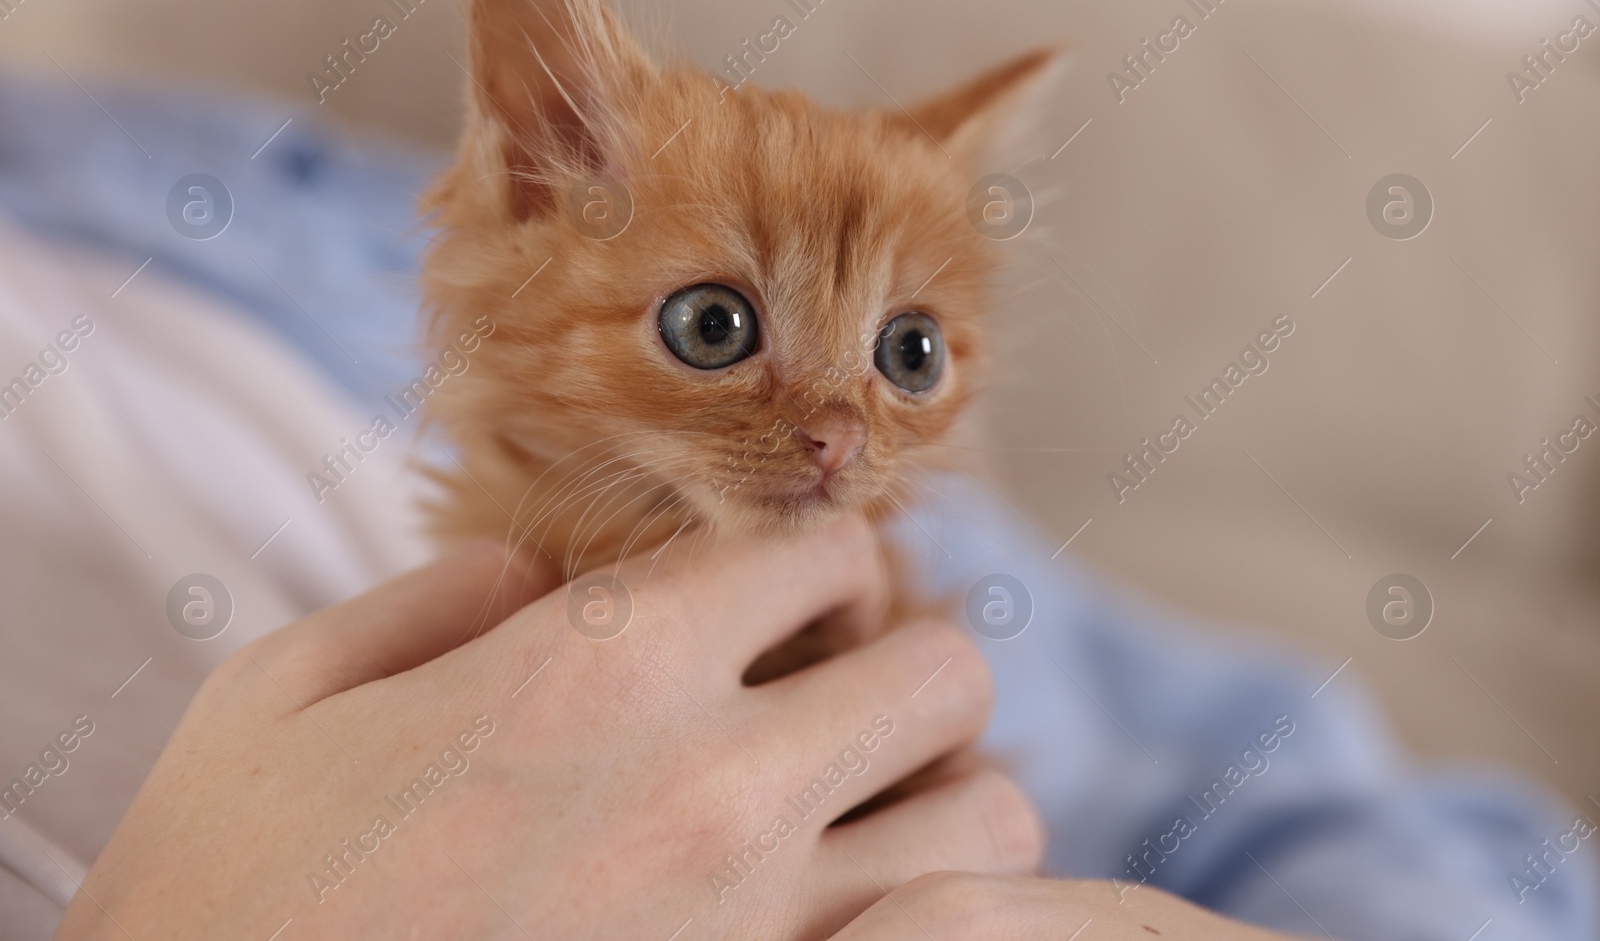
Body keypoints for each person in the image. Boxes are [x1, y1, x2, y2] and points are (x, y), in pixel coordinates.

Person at [0, 75, 1593, 940]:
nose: (835, 432)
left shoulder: (187, 180)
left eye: (908, 358)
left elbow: (1303, 799)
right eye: (718, 332)